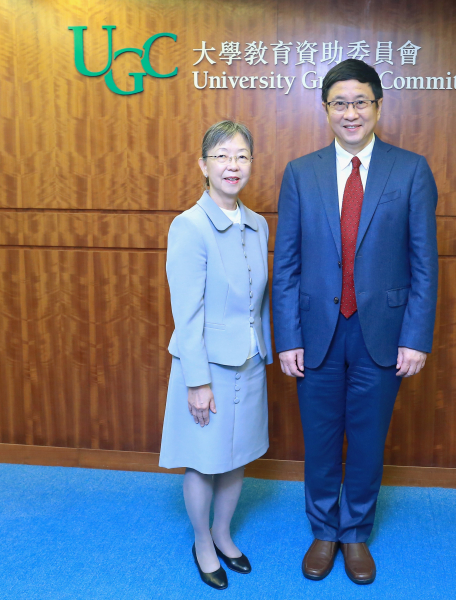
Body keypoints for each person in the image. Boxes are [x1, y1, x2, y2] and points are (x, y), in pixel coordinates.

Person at [272, 59, 439, 585]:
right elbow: (286, 264)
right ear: (326, 109)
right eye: (339, 103)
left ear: (377, 106)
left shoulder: (410, 170)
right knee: (320, 439)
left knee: (367, 440)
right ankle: (324, 530)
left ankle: (356, 533)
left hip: (383, 334)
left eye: (360, 102)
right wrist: (287, 338)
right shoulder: (300, 172)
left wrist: (416, 337)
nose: (351, 113)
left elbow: (424, 263)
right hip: (316, 332)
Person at [159, 121, 273, 590]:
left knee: (237, 455)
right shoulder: (189, 226)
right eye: (222, 156)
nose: (233, 165)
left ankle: (224, 533)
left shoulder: (258, 224)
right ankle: (202, 541)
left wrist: (266, 352)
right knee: (204, 460)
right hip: (206, 368)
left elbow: (259, 302)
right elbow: (187, 315)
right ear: (203, 166)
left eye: (242, 156)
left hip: (250, 362)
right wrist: (197, 382)